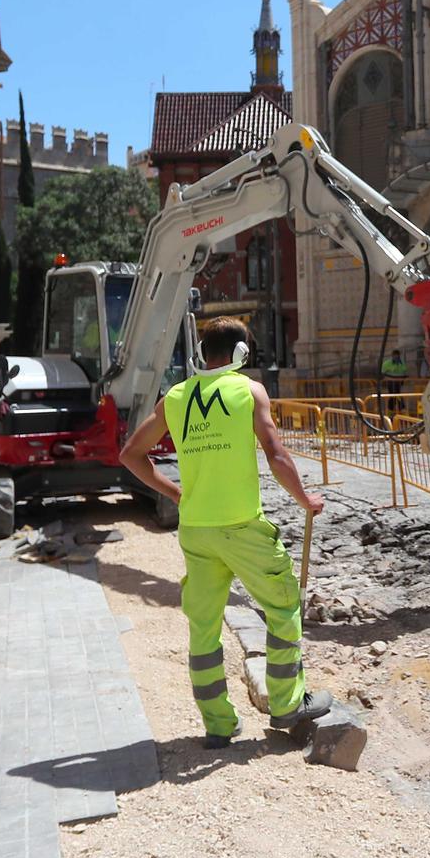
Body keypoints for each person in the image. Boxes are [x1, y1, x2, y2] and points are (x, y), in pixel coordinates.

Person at [119, 316, 332, 748]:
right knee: (284, 605)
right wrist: (305, 499)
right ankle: (288, 704)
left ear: (202, 354)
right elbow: (275, 453)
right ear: (241, 355)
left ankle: (218, 725)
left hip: (196, 530)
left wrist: (176, 493)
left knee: (203, 626)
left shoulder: (176, 398)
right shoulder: (248, 391)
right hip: (242, 526)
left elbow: (130, 455)